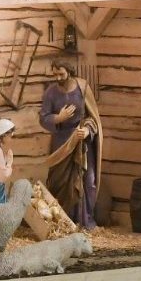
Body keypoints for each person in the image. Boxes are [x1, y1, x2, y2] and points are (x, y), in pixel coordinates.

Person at [39, 57, 102, 230]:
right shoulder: (51, 92)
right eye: (55, 74)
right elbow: (43, 118)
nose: (58, 78)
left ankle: (85, 220)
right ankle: (64, 221)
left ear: (69, 72)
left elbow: (93, 117)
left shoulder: (83, 88)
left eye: (61, 74)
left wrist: (87, 130)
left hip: (82, 141)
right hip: (61, 142)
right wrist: (58, 118)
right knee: (60, 181)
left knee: (88, 181)